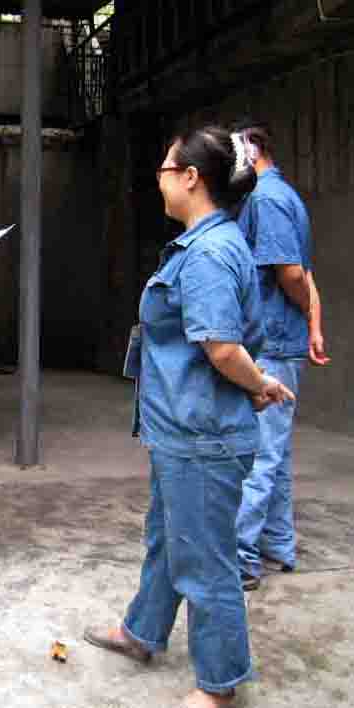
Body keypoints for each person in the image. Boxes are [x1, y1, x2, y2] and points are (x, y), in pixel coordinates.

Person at [83, 126, 295, 708]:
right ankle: (142, 631)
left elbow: (221, 348)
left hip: (202, 436)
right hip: (184, 428)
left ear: (191, 178)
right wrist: (256, 383)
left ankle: (219, 685)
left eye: (164, 169)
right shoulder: (207, 244)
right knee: (167, 539)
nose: (159, 179)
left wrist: (258, 384)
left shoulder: (208, 254)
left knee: (205, 562)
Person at [230, 119, 330, 592]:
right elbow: (306, 273)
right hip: (283, 338)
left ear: (252, 152)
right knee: (277, 451)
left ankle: (241, 558)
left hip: (270, 341)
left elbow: (291, 273)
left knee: (260, 454)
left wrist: (306, 314)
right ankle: (277, 543)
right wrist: (313, 323)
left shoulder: (266, 200)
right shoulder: (284, 196)